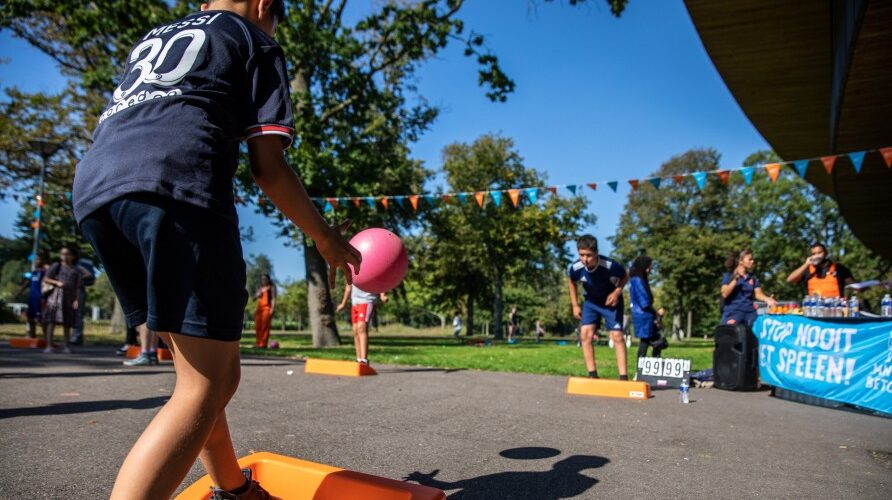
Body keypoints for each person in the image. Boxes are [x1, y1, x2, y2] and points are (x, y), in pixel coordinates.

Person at [71, 1, 361, 498]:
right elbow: (268, 168)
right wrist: (325, 235)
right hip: (176, 187)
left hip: (97, 192)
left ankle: (233, 489)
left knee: (199, 375)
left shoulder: (156, 36)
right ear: (265, 5)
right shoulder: (254, 39)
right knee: (209, 383)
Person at [566, 235, 630, 380]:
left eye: (589, 255)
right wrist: (575, 305)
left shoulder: (609, 265)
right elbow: (571, 282)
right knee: (585, 334)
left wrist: (617, 291)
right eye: (581, 255)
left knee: (617, 336)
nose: (585, 259)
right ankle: (592, 375)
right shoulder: (576, 267)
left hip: (610, 303)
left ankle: (623, 377)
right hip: (591, 302)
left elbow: (625, 275)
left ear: (596, 253)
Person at [42, 246, 83, 354]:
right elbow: (46, 278)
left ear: (73, 256)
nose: (65, 256)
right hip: (55, 297)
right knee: (52, 321)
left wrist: (77, 300)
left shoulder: (76, 270)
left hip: (69, 298)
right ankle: (49, 345)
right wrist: (57, 283)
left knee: (67, 322)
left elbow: (78, 287)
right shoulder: (56, 266)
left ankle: (66, 345)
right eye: (62, 254)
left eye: (67, 254)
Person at [720, 249, 777, 327]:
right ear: (741, 261)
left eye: (752, 259)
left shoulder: (752, 277)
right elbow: (724, 294)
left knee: (754, 336)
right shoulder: (729, 275)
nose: (752, 261)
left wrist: (767, 299)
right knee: (731, 336)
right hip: (733, 312)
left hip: (750, 313)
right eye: (750, 259)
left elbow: (758, 294)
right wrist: (735, 280)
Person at [336, 284, 388, 365]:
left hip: (367, 301)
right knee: (355, 330)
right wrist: (343, 303)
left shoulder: (370, 270)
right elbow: (348, 286)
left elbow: (379, 280)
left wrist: (382, 295)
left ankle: (364, 360)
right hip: (355, 302)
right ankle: (359, 359)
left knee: (361, 328)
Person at [628, 256, 668, 359]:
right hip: (643, 315)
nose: (650, 269)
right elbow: (644, 302)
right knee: (645, 341)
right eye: (649, 266)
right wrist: (656, 313)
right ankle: (640, 369)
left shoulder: (640, 279)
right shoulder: (637, 280)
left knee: (657, 340)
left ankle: (654, 365)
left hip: (646, 315)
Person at [785, 242, 855, 297]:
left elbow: (853, 285)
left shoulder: (839, 268)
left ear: (826, 253)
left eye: (819, 253)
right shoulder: (807, 269)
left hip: (835, 310)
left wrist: (862, 287)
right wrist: (806, 264)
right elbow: (790, 279)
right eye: (814, 254)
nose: (816, 256)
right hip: (814, 309)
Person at [18, 251, 49, 339]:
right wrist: (20, 291)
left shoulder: (45, 271)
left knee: (41, 319)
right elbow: (28, 282)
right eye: (35, 259)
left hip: (40, 297)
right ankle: (32, 335)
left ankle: (47, 337)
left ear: (43, 260)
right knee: (30, 318)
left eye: (38, 259)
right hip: (32, 297)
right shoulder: (34, 271)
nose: (36, 261)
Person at [69, 255, 96, 345]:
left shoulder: (78, 266)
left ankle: (77, 336)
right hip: (69, 291)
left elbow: (89, 274)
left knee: (78, 313)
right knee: (71, 314)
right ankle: (72, 336)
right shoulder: (67, 266)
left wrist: (77, 279)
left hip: (78, 291)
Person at [253, 274, 276, 348]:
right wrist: (258, 294)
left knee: (265, 327)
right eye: (262, 279)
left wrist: (272, 309)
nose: (263, 280)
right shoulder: (259, 288)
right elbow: (254, 298)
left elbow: (273, 299)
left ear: (268, 280)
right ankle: (258, 343)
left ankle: (263, 344)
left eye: (265, 279)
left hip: (267, 308)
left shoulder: (271, 287)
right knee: (257, 327)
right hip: (259, 309)